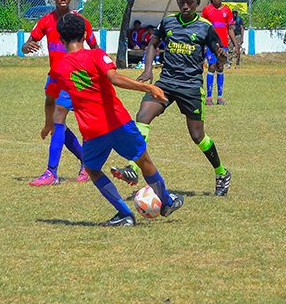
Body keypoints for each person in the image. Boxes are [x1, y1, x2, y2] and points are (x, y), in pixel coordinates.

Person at [49, 13, 184, 226]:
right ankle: (166, 201)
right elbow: (114, 78)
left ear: (61, 40)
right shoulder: (96, 55)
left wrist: (52, 121)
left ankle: (124, 213)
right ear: (85, 35)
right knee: (144, 160)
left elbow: (59, 101)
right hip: (118, 122)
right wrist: (147, 86)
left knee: (93, 170)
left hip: (92, 130)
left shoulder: (60, 68)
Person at [111, 0, 233, 197]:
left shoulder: (205, 26)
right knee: (142, 116)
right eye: (182, 1)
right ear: (177, 1)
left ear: (196, 4)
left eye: (190, 2)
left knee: (198, 136)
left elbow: (217, 50)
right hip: (166, 82)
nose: (185, 6)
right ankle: (132, 167)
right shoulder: (168, 22)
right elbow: (152, 44)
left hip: (191, 86)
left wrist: (222, 55)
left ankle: (221, 172)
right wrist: (148, 70)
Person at [21, 0, 98, 186]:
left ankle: (75, 166)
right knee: (58, 122)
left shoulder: (81, 21)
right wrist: (27, 46)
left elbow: (95, 47)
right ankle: (56, 171)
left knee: (82, 122)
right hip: (56, 77)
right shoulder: (46, 21)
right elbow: (28, 42)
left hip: (79, 77)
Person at [201, 0, 238, 105]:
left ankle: (220, 97)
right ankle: (209, 97)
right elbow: (203, 28)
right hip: (211, 44)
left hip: (224, 45)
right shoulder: (207, 10)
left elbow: (230, 28)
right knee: (211, 66)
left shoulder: (227, 10)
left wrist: (236, 45)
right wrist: (203, 43)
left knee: (220, 67)